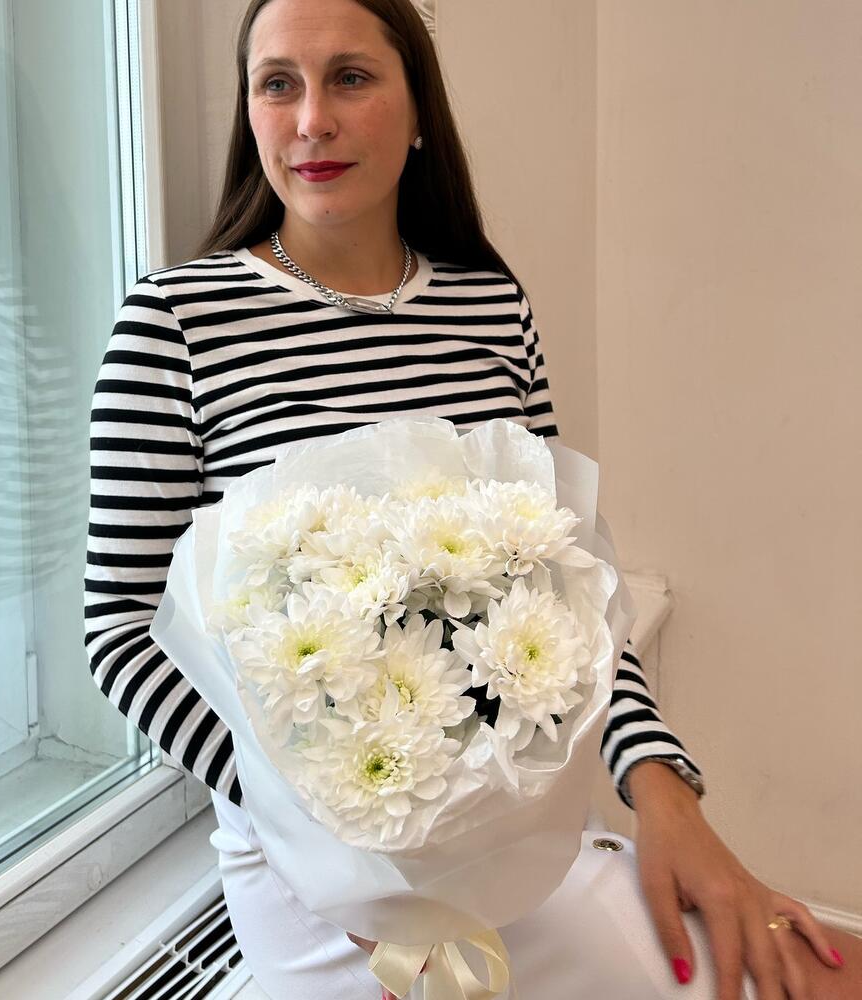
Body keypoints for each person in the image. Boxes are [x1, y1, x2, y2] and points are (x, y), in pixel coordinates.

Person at [84, 0, 860, 996]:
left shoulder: (490, 306)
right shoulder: (174, 321)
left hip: (517, 840)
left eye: (350, 77)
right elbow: (120, 630)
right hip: (316, 877)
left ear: (418, 111)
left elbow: (568, 599)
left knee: (775, 977)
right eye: (278, 83)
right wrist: (327, 835)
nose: (311, 119)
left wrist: (663, 790)